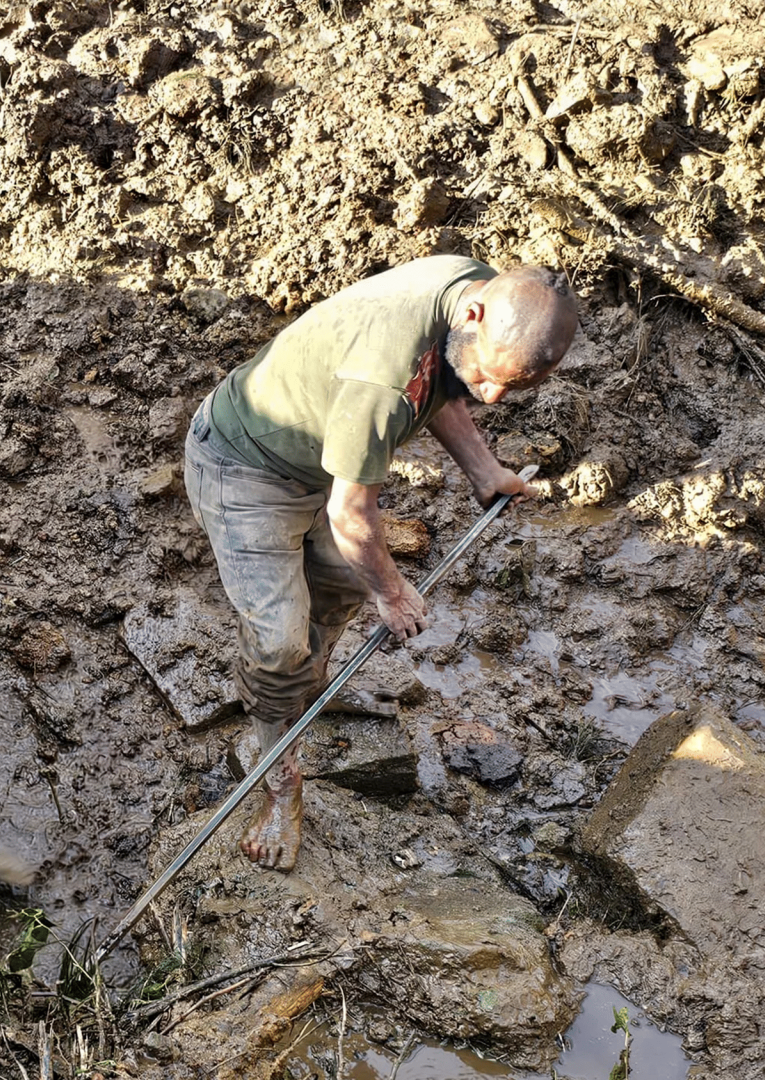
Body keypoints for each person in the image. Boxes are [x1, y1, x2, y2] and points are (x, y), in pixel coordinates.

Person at [184, 256, 578, 870]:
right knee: (279, 638)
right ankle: (278, 780)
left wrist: (483, 469)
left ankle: (295, 695)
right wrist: (393, 594)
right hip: (244, 467)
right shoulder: (385, 376)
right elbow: (352, 515)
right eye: (490, 376)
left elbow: (439, 385)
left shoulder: (470, 298)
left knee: (342, 582)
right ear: (475, 313)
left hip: (318, 458)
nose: (492, 394)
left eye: (512, 387)